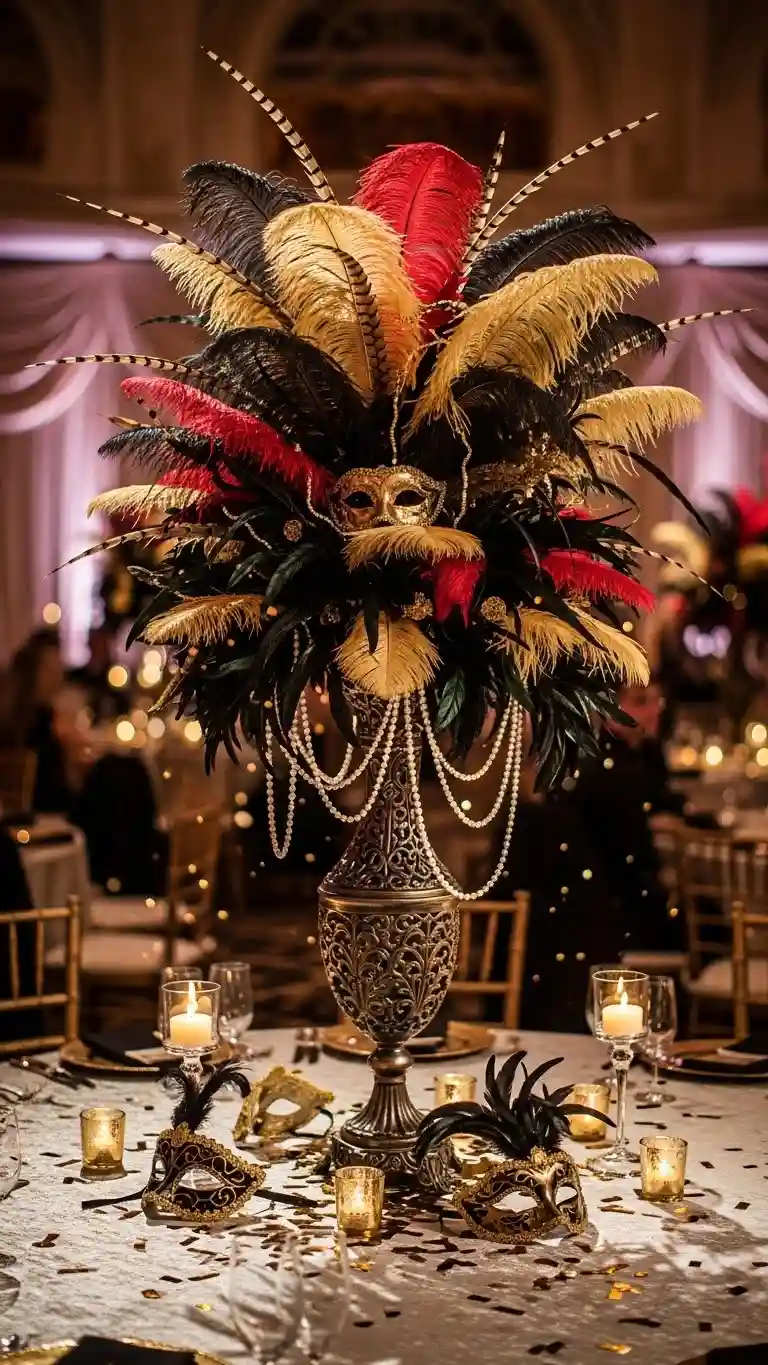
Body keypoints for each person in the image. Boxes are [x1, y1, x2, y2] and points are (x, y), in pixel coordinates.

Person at [0, 629, 87, 812]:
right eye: (50, 670)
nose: (58, 677)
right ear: (32, 673)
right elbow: (54, 791)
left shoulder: (26, 713)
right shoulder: (33, 720)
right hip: (42, 814)